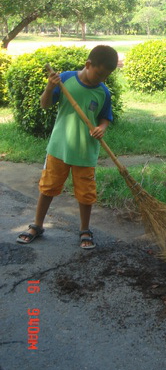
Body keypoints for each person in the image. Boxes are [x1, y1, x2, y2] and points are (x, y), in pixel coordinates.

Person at [16, 45, 119, 250]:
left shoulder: (103, 91)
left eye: (106, 77)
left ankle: (84, 229)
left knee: (86, 193)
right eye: (99, 74)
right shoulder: (65, 80)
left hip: (85, 152)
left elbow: (105, 117)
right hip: (59, 148)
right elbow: (45, 104)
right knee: (48, 188)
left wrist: (101, 128)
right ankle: (37, 225)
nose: (102, 79)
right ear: (88, 64)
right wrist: (48, 87)